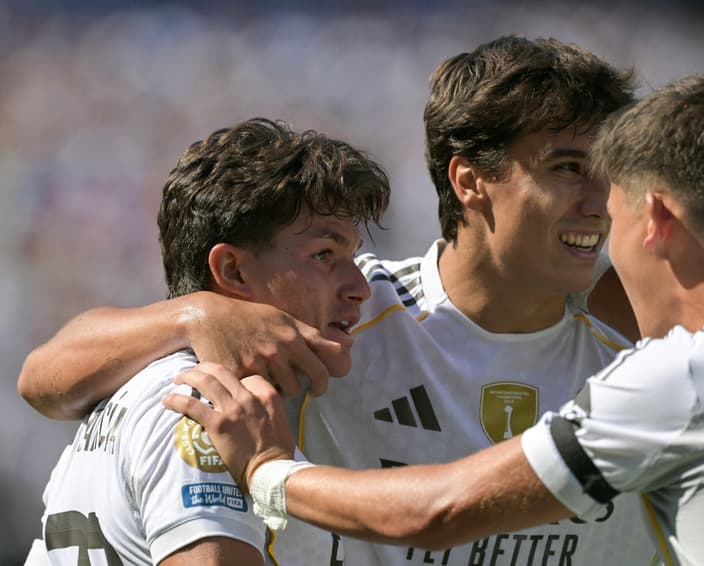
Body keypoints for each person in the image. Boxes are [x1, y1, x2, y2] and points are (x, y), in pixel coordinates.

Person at [165, 72, 704, 566]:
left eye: (613, 211)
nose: (598, 224)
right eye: (569, 169)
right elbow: (91, 368)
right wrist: (195, 313)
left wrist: (268, 471)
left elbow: (439, 512)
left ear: (658, 219)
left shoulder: (686, 373)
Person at [19, 37, 656, 565]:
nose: (599, 201)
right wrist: (200, 312)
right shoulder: (337, 323)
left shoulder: (643, 362)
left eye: (608, 173)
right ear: (469, 180)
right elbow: (46, 379)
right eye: (568, 168)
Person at [25, 118, 391, 565]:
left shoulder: (145, 377)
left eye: (352, 255)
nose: (360, 287)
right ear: (233, 270)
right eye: (324, 255)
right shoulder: (208, 412)